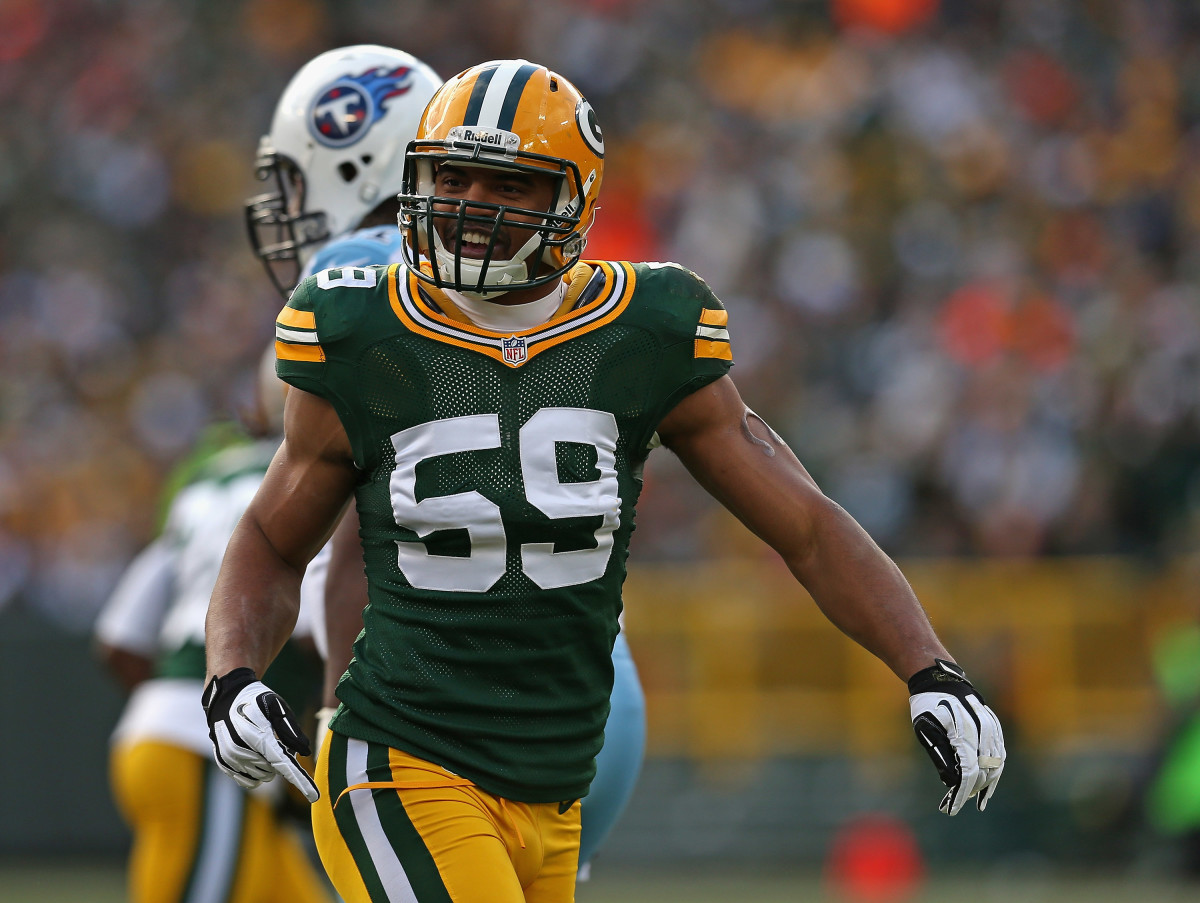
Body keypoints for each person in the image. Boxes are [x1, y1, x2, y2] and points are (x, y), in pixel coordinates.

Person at [202, 60, 1006, 903]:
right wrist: (232, 673)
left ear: (572, 199)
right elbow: (273, 540)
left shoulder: (643, 331)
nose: (470, 205)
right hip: (400, 759)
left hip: (555, 786)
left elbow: (805, 524)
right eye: (453, 176)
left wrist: (930, 667)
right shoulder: (363, 329)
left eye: (507, 184)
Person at [248, 45, 648, 876]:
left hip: (448, 721)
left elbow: (350, 550)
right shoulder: (540, 284)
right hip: (590, 694)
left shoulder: (354, 284)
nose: (289, 206)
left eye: (298, 176)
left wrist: (332, 717)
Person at [94, 350, 331, 903]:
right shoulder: (322, 481)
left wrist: (191, 709)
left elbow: (120, 639)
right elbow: (314, 636)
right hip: (205, 758)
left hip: (165, 739)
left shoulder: (206, 478)